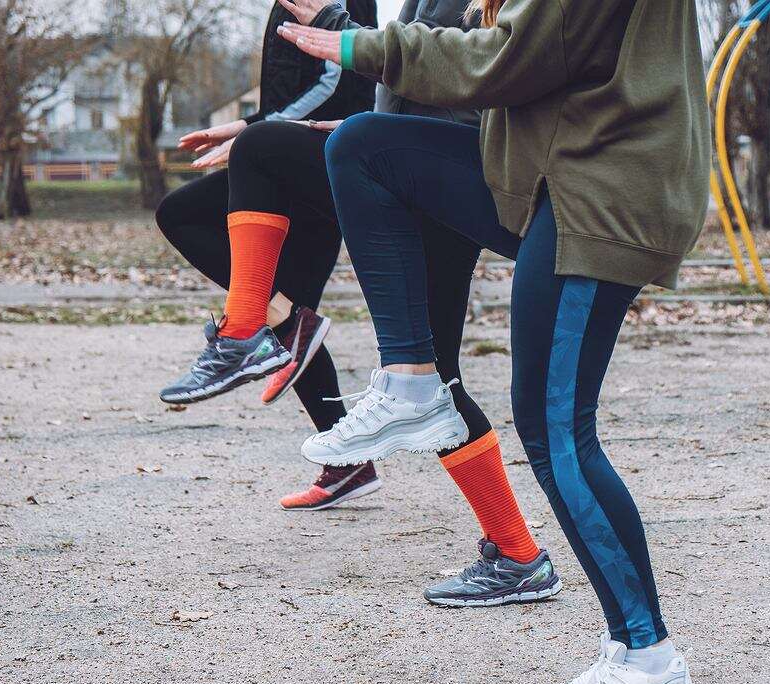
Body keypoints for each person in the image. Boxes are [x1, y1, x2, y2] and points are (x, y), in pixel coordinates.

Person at [281, 0, 707, 684]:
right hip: (557, 175)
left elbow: (504, 61)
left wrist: (358, 45)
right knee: (365, 146)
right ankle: (412, 379)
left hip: (599, 195)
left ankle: (647, 659)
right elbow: (518, 62)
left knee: (556, 433)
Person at [153, 0, 561, 608]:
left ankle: (253, 332)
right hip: (409, 168)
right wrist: (307, 129)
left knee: (264, 152)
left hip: (442, 174)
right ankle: (519, 554)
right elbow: (406, 95)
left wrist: (339, 36)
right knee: (435, 382)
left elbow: (460, 78)